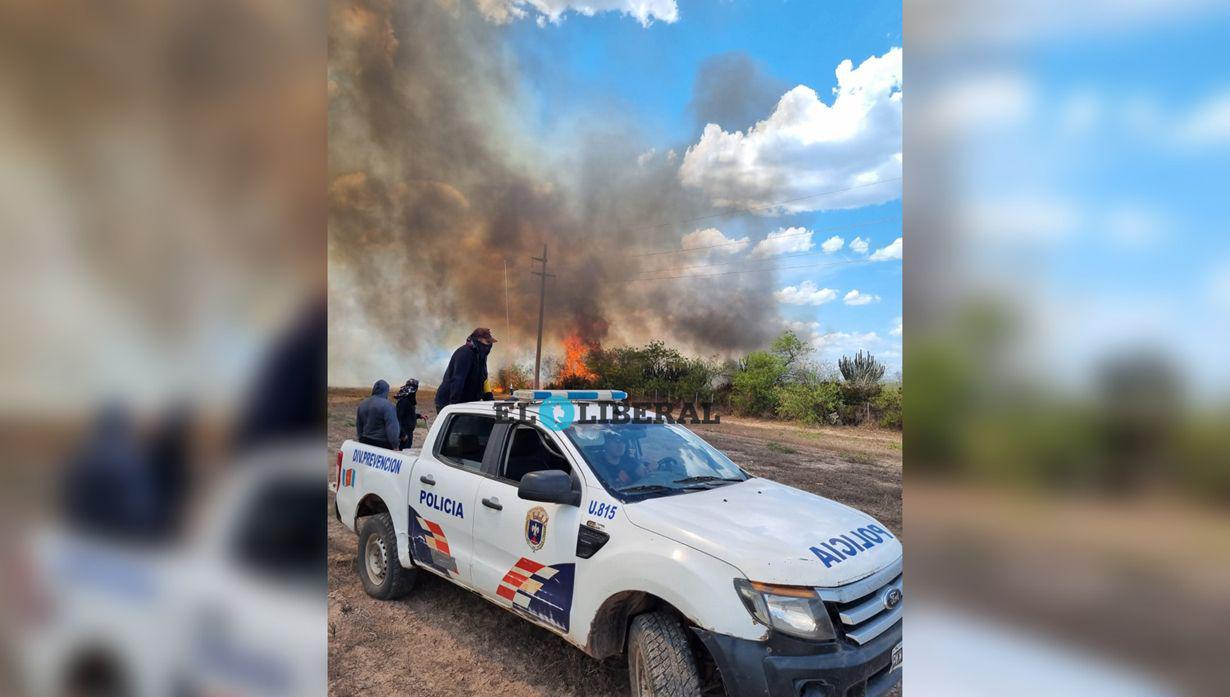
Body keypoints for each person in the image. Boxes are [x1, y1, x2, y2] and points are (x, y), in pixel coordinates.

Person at [434, 327, 497, 410]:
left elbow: (484, 378)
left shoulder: (481, 355)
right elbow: (458, 380)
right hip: (448, 402)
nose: (489, 345)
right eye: (488, 342)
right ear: (479, 339)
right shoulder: (464, 353)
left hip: (466, 402)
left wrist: (489, 399)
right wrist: (454, 406)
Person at [356, 379, 401, 450]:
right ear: (386, 391)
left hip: (365, 441)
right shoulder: (388, 406)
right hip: (382, 444)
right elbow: (392, 429)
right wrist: (395, 446)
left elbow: (359, 426)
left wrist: (361, 439)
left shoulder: (362, 404)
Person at [394, 379, 426, 449]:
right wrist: (402, 435)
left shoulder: (408, 400)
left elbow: (408, 415)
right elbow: (397, 418)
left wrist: (419, 416)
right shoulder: (404, 401)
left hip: (408, 433)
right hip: (405, 434)